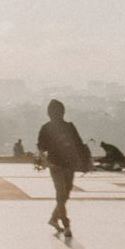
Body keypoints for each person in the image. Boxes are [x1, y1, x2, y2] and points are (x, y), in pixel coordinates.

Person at [36, 99, 89, 237]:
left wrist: (46, 162)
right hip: (62, 165)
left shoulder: (47, 128)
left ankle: (54, 219)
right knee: (62, 195)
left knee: (64, 194)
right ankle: (66, 224)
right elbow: (79, 145)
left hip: (61, 164)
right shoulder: (68, 127)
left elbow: (41, 149)